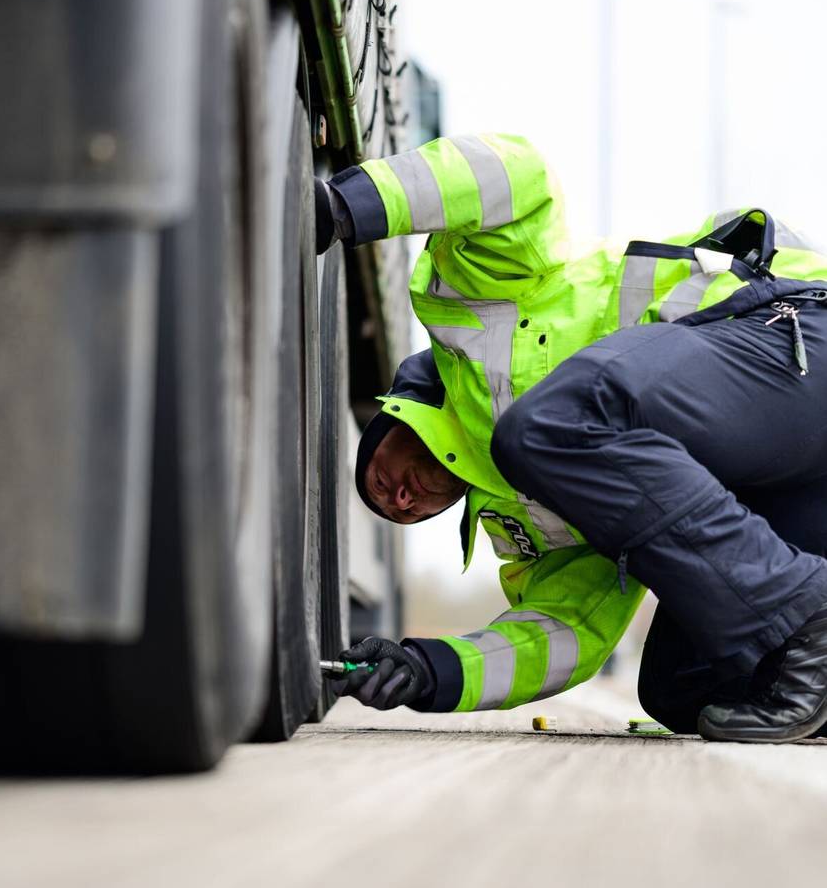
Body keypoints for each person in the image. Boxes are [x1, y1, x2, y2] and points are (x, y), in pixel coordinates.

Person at [314, 134, 827, 743]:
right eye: (403, 513)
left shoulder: (478, 318)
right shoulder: (545, 518)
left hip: (788, 345)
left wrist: (344, 206)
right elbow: (569, 628)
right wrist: (427, 670)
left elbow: (510, 171)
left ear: (396, 415)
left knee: (542, 426)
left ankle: (808, 608)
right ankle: (805, 622)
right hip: (781, 480)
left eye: (382, 480)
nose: (401, 500)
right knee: (683, 686)